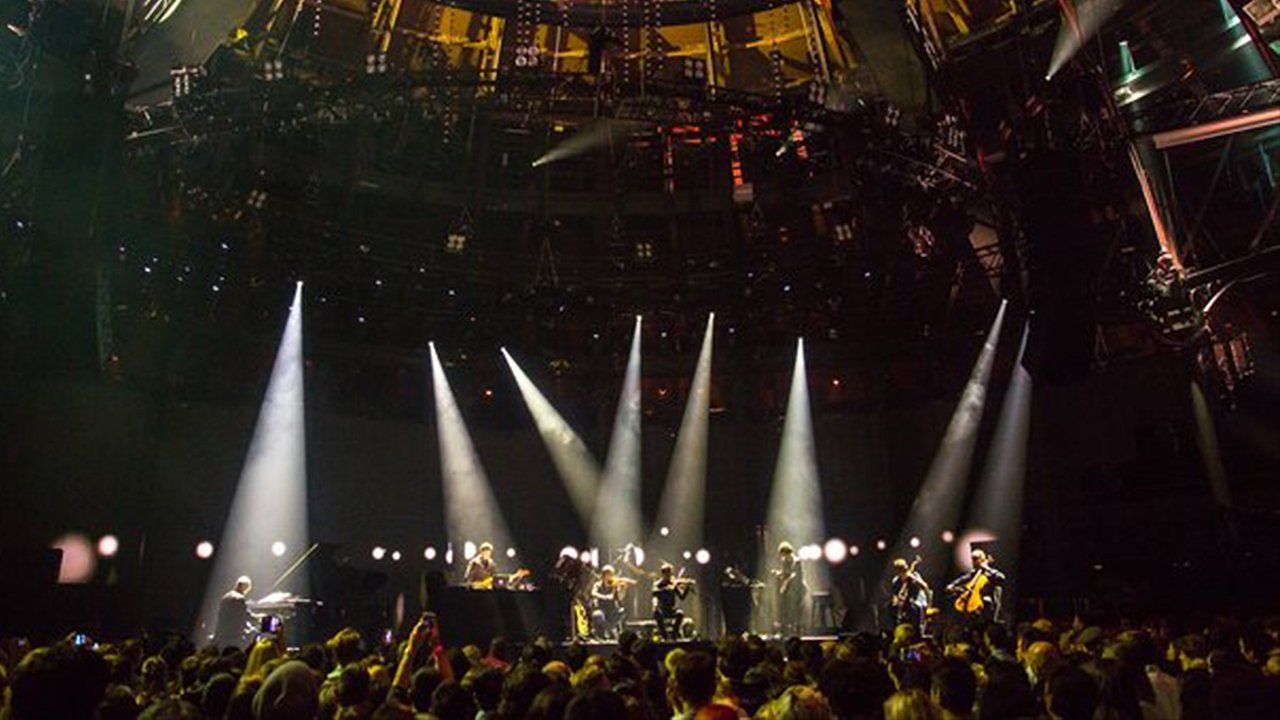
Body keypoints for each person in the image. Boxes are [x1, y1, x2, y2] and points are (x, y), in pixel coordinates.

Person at [945, 550, 1005, 623]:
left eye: (975, 559)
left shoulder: (989, 573)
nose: (973, 562)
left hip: (987, 604)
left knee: (987, 600)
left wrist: (987, 568)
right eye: (972, 560)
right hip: (974, 602)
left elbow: (1002, 578)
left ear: (982, 560)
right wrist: (952, 584)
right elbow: (963, 578)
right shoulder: (974, 573)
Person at [652, 563, 694, 640]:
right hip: (662, 609)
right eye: (667, 574)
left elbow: (682, 597)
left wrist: (687, 588)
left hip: (671, 609)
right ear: (663, 574)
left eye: (670, 574)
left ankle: (674, 635)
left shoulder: (673, 584)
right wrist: (667, 589)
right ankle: (664, 636)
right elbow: (654, 593)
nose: (669, 576)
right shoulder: (657, 584)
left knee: (680, 613)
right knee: (656, 613)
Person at [890, 558, 931, 634]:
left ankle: (918, 631)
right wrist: (897, 600)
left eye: (905, 568)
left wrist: (913, 578)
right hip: (905, 603)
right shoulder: (896, 581)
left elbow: (925, 586)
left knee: (915, 607)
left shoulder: (914, 575)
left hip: (918, 600)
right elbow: (895, 595)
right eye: (901, 570)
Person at [772, 542, 805, 635]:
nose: (782, 557)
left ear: (787, 552)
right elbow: (784, 574)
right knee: (786, 607)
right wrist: (777, 573)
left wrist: (785, 584)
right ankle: (786, 627)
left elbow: (794, 575)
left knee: (795, 608)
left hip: (798, 588)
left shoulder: (797, 561)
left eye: (783, 554)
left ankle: (797, 628)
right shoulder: (784, 561)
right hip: (789, 588)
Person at [590, 566, 630, 639]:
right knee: (597, 615)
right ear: (603, 575)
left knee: (622, 611)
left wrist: (623, 589)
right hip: (602, 608)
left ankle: (610, 629)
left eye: (611, 574)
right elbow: (593, 593)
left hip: (612, 609)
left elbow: (620, 598)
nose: (610, 576)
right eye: (608, 574)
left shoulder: (614, 585)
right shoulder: (598, 584)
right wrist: (605, 597)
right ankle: (610, 629)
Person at [212, 576, 253, 648]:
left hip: (220, 632)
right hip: (232, 635)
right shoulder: (240, 599)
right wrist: (261, 617)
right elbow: (245, 616)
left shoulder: (226, 596)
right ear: (245, 587)